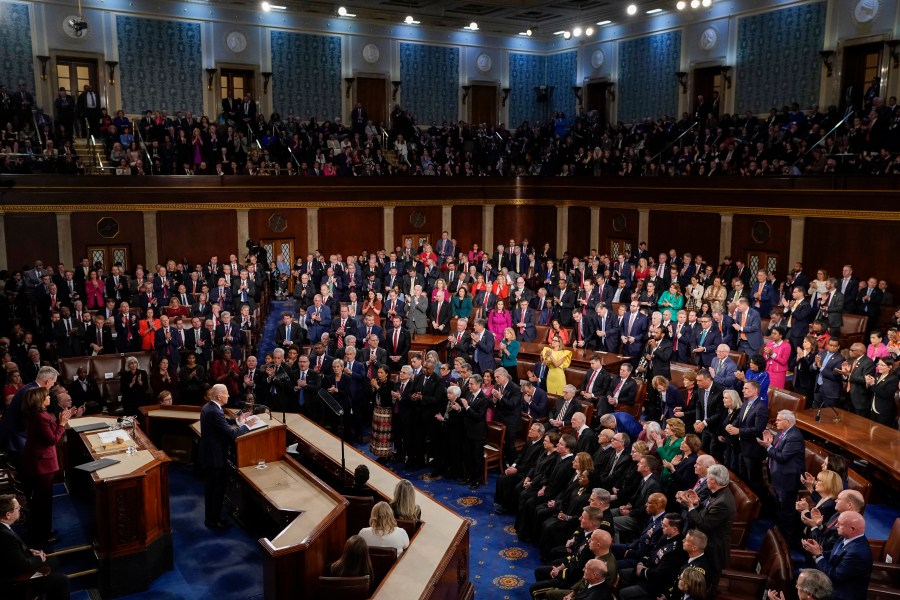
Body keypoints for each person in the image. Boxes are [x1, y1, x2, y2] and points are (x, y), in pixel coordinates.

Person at [200, 383, 257, 529]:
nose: (229, 396)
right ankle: (213, 521)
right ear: (219, 396)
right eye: (226, 393)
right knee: (216, 490)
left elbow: (222, 423)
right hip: (215, 458)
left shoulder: (209, 407)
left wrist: (237, 421)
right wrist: (247, 426)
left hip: (210, 455)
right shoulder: (214, 411)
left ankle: (214, 517)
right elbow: (231, 434)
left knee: (213, 490)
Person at [22, 387, 71, 545]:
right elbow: (52, 440)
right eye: (46, 396)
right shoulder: (41, 417)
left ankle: (44, 531)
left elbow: (49, 433)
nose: (49, 397)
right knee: (43, 501)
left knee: (42, 500)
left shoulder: (36, 415)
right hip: (42, 463)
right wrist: (62, 423)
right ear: (39, 400)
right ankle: (43, 535)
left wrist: (59, 421)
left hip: (37, 461)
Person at [0, 494, 70, 599]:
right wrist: (39, 558)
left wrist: (30, 551)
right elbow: (21, 565)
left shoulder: (3, 527)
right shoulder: (4, 536)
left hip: (15, 565)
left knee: (54, 561)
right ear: (8, 515)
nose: (20, 510)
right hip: (17, 580)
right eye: (18, 508)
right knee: (62, 580)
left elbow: (12, 552)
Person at [802, 511, 872, 600]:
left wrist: (818, 555)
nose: (836, 526)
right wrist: (819, 550)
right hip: (834, 584)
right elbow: (834, 554)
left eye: (840, 524)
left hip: (841, 595)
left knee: (803, 586)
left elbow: (834, 577)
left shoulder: (857, 553)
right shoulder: (846, 536)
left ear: (852, 529)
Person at [759, 409, 806, 543]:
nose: (776, 422)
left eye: (779, 420)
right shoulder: (783, 433)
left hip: (788, 480)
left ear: (788, 421)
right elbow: (778, 449)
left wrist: (768, 447)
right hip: (779, 477)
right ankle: (780, 532)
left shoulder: (794, 437)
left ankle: (787, 540)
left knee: (787, 511)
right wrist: (771, 443)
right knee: (780, 507)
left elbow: (783, 457)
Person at [680, 464, 736, 576]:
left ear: (714, 481)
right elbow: (707, 512)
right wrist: (697, 504)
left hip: (712, 549)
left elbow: (705, 525)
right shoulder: (718, 493)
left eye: (708, 478)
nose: (706, 481)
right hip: (707, 542)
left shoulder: (723, 502)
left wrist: (690, 507)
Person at [369, 364, 394, 462]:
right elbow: (372, 396)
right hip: (377, 411)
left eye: (381, 373)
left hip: (385, 413)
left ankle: (386, 455)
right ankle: (378, 453)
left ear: (386, 374)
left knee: (384, 435)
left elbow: (386, 396)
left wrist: (377, 386)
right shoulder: (377, 382)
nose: (379, 374)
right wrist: (373, 388)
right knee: (377, 433)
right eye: (378, 372)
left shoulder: (390, 384)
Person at [865, 356, 898, 426]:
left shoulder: (893, 379)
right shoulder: (877, 375)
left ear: (890, 367)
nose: (878, 367)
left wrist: (873, 384)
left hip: (884, 410)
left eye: (882, 365)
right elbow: (873, 390)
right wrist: (868, 384)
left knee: (882, 433)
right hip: (873, 407)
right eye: (878, 364)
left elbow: (886, 394)